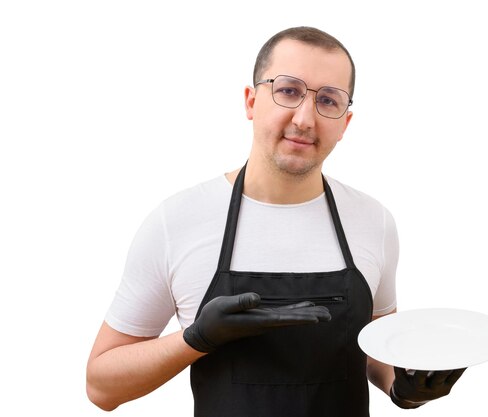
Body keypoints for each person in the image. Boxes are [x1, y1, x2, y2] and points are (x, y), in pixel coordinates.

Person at [86, 26, 465, 417]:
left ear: (345, 123)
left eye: (329, 100)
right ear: (251, 101)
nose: (305, 118)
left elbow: (376, 350)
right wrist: (195, 339)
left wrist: (405, 389)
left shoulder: (374, 222)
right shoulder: (177, 222)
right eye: (288, 90)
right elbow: (101, 387)